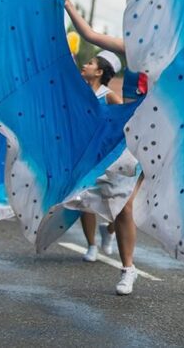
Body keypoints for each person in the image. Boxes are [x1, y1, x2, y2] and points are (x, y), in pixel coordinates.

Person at [60, 0, 143, 296]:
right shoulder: (129, 49)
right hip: (125, 139)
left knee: (131, 206)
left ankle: (128, 266)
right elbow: (90, 34)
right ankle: (121, 263)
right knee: (118, 205)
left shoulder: (170, 58)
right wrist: (69, 6)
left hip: (156, 136)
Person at [78, 51, 124, 263]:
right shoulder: (79, 91)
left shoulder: (108, 96)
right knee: (85, 199)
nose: (85, 65)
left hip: (107, 155)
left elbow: (125, 118)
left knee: (119, 202)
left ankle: (110, 230)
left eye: (90, 62)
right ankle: (91, 245)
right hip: (85, 155)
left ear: (99, 72)